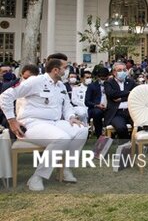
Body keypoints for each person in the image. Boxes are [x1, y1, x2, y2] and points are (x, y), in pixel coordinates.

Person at [0, 55, 88, 191]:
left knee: (82, 130)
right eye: (65, 68)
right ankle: (37, 177)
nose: (67, 71)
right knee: (62, 138)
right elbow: (5, 96)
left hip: (54, 122)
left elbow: (67, 105)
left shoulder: (60, 86)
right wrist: (12, 120)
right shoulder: (36, 81)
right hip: (32, 124)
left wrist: (71, 116)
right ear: (55, 70)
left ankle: (66, 169)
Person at [103, 62, 136, 140]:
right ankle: (126, 145)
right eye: (119, 70)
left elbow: (135, 94)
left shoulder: (131, 82)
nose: (122, 72)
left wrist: (121, 98)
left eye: (124, 70)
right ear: (114, 72)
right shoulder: (109, 82)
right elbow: (111, 94)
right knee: (121, 128)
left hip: (130, 111)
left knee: (139, 125)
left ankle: (137, 144)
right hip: (116, 112)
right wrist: (128, 93)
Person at [85, 68, 108, 137]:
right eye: (101, 78)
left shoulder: (110, 85)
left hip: (109, 107)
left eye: (105, 78)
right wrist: (97, 105)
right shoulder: (92, 86)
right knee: (97, 113)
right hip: (96, 108)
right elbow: (87, 102)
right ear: (98, 77)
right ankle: (99, 134)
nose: (103, 80)